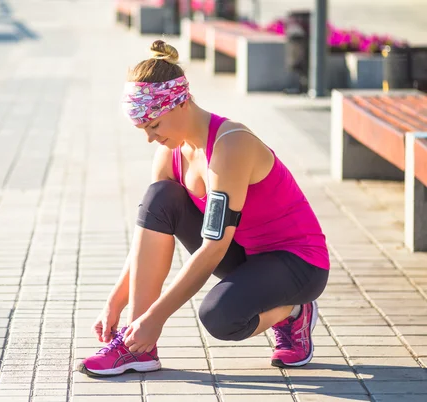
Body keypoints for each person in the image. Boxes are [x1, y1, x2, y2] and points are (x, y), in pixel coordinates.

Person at [78, 40, 330, 377]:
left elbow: (214, 247)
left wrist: (155, 318)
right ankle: (137, 347)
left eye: (154, 125)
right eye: (143, 129)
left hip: (297, 262)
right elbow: (147, 239)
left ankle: (293, 312)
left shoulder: (231, 144)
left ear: (181, 103)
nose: (151, 138)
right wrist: (116, 302)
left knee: (220, 318)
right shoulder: (170, 153)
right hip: (247, 254)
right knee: (160, 196)